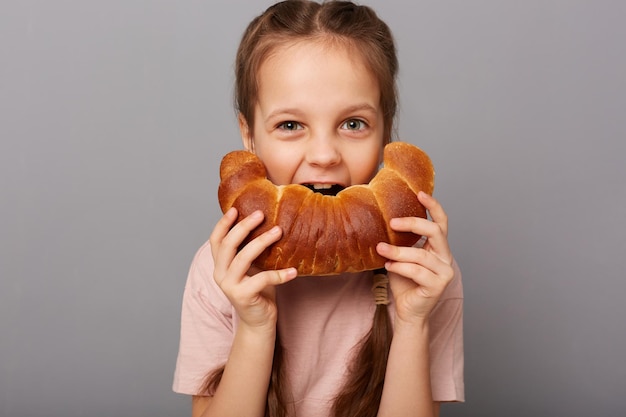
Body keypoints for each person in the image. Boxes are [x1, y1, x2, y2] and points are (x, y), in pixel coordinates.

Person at [172, 1, 464, 416]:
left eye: (353, 124)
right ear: (249, 137)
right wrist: (255, 327)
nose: (325, 155)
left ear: (385, 131)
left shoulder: (424, 270)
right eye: (290, 125)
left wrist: (413, 321)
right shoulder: (221, 271)